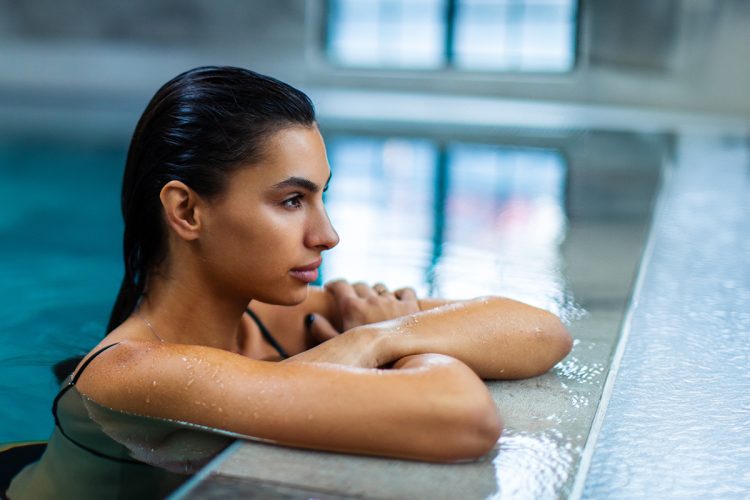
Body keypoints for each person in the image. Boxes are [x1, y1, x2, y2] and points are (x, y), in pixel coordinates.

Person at [5, 66, 572, 499]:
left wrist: (388, 335)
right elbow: (463, 420)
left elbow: (541, 330)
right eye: (292, 200)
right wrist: (370, 342)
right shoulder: (134, 372)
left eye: (320, 196)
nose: (327, 235)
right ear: (187, 212)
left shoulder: (273, 317)